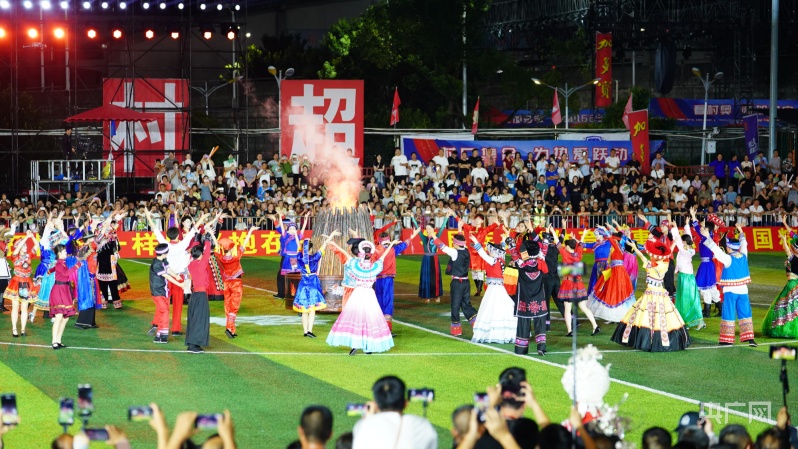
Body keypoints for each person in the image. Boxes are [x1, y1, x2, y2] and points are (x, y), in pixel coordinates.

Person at [611, 238, 691, 352]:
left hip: (651, 293)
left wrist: (634, 247)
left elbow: (642, 257)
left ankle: (648, 340)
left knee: (645, 316)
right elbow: (659, 255)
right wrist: (634, 247)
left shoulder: (652, 265)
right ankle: (658, 339)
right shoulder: (664, 264)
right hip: (659, 293)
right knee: (662, 316)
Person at [326, 239, 396, 355]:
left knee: (356, 318)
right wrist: (392, 244)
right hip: (369, 294)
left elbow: (345, 253)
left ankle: (355, 344)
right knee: (369, 319)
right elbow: (383, 256)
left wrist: (334, 244)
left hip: (358, 294)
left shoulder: (355, 264)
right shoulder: (374, 267)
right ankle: (368, 347)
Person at [700, 223, 757, 346]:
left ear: (729, 247)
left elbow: (715, 250)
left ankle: (727, 340)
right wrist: (741, 231)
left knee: (729, 313)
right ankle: (750, 338)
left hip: (731, 291)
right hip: (743, 291)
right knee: (745, 312)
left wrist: (706, 237)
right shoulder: (743, 256)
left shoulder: (728, 258)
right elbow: (744, 244)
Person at [352, 376, 437, 449]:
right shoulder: (422, 425)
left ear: (376, 404)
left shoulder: (364, 426)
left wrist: (367, 419)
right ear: (406, 403)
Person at [428, 227, 478, 336]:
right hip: (466, 282)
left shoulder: (454, 252)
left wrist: (433, 235)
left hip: (457, 283)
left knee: (455, 305)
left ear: (455, 244)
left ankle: (456, 329)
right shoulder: (465, 250)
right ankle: (477, 323)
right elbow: (460, 242)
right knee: (466, 304)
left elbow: (442, 246)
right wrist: (459, 229)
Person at [468, 233, 517, 344]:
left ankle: (494, 333)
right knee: (503, 308)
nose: (489, 251)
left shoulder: (493, 260)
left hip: (494, 289)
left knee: (491, 309)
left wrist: (476, 241)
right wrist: (503, 240)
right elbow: (502, 248)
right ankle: (505, 332)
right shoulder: (501, 259)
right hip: (499, 288)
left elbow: (482, 254)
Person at [508, 236, 549, 355]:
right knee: (540, 321)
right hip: (539, 297)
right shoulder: (540, 261)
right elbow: (543, 251)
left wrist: (510, 242)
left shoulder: (521, 264)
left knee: (523, 322)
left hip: (524, 298)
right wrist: (545, 240)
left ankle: (521, 348)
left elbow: (515, 254)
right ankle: (541, 347)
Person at [374, 228, 419, 334]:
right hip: (388, 279)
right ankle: (387, 329)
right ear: (389, 239)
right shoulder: (392, 250)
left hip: (377, 280)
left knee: (379, 302)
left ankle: (378, 329)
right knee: (388, 302)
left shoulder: (375, 250)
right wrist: (413, 235)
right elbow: (405, 244)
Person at [216, 226, 257, 339]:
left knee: (228, 305)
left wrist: (212, 234)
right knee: (234, 306)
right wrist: (250, 231)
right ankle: (229, 327)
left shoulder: (221, 258)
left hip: (226, 283)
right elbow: (244, 243)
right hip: (236, 284)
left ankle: (232, 330)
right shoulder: (236, 257)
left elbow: (216, 246)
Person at [587, 230, 636, 323]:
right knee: (612, 291)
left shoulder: (618, 247)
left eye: (613, 240)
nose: (611, 241)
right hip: (614, 271)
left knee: (615, 292)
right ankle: (613, 315)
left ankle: (615, 316)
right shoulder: (615, 249)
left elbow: (611, 240)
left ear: (616, 241)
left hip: (619, 273)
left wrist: (605, 231)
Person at [293, 234, 337, 338]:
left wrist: (297, 237)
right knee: (312, 309)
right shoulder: (315, 257)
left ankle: (305, 331)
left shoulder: (299, 257)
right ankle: (309, 330)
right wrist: (331, 235)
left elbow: (298, 248)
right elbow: (325, 245)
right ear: (311, 248)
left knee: (304, 310)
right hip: (313, 284)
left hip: (303, 284)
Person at [763, 215, 798, 338]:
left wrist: (783, 239)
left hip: (791, 285)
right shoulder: (793, 258)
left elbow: (787, 250)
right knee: (792, 308)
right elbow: (793, 234)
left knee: (785, 307)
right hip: (795, 284)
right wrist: (784, 223)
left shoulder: (793, 258)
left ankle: (784, 329)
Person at [559, 231, 600, 336]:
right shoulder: (578, 254)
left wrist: (552, 232)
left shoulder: (565, 254)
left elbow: (557, 242)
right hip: (579, 285)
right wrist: (583, 235)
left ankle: (569, 331)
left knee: (567, 309)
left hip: (568, 284)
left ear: (568, 246)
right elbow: (580, 245)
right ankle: (595, 326)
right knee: (584, 307)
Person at [149, 243, 187, 344]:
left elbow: (169, 270)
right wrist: (180, 284)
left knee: (164, 311)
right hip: (158, 292)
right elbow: (167, 276)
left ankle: (160, 335)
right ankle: (162, 334)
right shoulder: (157, 264)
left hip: (163, 291)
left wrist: (176, 276)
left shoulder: (162, 260)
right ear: (164, 253)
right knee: (164, 311)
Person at [671, 222, 705, 330]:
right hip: (682, 276)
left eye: (682, 241)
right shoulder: (685, 249)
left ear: (685, 242)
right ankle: (684, 320)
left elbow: (679, 243)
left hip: (687, 278)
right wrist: (686, 225)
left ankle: (699, 320)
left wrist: (675, 228)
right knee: (682, 299)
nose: (680, 242)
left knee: (689, 299)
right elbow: (685, 238)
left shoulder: (688, 251)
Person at [458, 214, 501, 297]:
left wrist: (497, 222)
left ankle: (479, 290)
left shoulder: (484, 230)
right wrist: (453, 214)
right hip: (471, 252)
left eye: (479, 219)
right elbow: (462, 223)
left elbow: (494, 226)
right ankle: (478, 288)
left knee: (480, 272)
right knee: (473, 272)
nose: (477, 220)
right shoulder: (470, 229)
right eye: (476, 219)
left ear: (482, 221)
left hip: (480, 252)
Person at [49, 244, 83, 349]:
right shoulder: (60, 264)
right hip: (58, 290)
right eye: (64, 251)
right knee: (59, 316)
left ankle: (58, 340)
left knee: (65, 318)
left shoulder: (61, 263)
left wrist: (49, 271)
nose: (66, 253)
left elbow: (56, 268)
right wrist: (77, 266)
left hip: (64, 290)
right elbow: (66, 273)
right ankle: (54, 341)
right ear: (59, 253)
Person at [690, 208, 722, 318]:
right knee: (711, 287)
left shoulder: (707, 237)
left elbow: (697, 228)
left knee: (706, 287)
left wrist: (694, 217)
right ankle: (718, 308)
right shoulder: (709, 237)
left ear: (707, 230)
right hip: (708, 264)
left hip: (706, 265)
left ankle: (707, 311)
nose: (702, 229)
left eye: (704, 228)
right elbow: (699, 228)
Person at [5, 230, 37, 337]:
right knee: (15, 307)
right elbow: (17, 249)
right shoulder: (15, 255)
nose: (26, 247)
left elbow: (36, 245)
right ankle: (14, 329)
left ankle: (23, 329)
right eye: (24, 246)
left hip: (26, 282)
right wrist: (26, 238)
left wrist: (32, 237)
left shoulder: (29, 255)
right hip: (17, 282)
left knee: (24, 307)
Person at [186, 237, 213, 353]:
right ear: (200, 255)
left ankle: (192, 343)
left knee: (194, 319)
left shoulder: (191, 265)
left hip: (195, 295)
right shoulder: (201, 264)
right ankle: (194, 345)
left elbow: (203, 253)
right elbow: (207, 253)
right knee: (200, 320)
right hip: (201, 295)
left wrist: (201, 240)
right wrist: (207, 239)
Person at [274, 216, 303, 300]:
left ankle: (284, 293)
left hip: (287, 257)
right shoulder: (286, 234)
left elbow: (278, 227)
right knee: (291, 275)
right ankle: (290, 293)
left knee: (284, 275)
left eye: (284, 224)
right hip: (285, 256)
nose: (283, 225)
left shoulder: (286, 233)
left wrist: (276, 219)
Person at [418, 220, 446, 304]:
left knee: (435, 277)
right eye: (426, 229)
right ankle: (427, 296)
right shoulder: (424, 238)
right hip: (426, 259)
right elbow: (418, 229)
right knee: (426, 277)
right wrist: (412, 217)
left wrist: (446, 218)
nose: (428, 230)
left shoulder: (436, 236)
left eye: (429, 228)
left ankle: (436, 296)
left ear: (433, 229)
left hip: (434, 258)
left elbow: (442, 229)